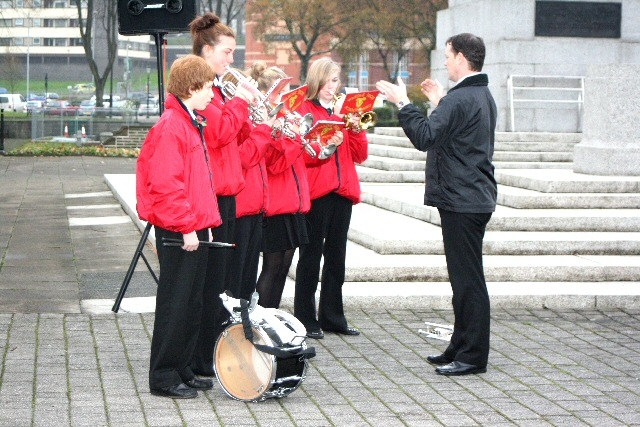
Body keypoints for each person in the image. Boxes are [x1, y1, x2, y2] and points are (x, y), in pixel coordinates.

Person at [376, 33, 497, 376]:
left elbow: (425, 137)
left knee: (468, 280)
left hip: (464, 199)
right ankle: (460, 345)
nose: (444, 62)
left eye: (447, 55)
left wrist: (403, 103)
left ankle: (472, 355)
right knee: (464, 278)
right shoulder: (478, 94)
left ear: (461, 57)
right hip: (470, 197)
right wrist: (441, 100)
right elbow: (456, 134)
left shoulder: (462, 99)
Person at [188, 12, 269, 378]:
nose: (231, 59)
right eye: (226, 51)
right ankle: (202, 356)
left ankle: (210, 352)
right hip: (214, 193)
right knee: (212, 285)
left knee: (219, 284)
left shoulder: (218, 87)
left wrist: (250, 112)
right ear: (206, 51)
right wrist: (240, 102)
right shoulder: (202, 88)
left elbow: (234, 138)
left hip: (227, 191)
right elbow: (220, 134)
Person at [136, 54, 220, 398]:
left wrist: (205, 223)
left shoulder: (188, 122)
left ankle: (183, 367)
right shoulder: (172, 125)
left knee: (193, 302)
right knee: (176, 302)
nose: (213, 94)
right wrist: (188, 227)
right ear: (192, 87)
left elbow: (197, 182)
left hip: (191, 226)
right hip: (178, 228)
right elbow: (167, 184)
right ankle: (165, 374)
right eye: (209, 86)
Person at [294, 57, 369, 339]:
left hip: (342, 194)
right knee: (310, 257)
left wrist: (356, 129)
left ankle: (333, 317)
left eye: (335, 81)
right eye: (326, 81)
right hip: (316, 195)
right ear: (315, 82)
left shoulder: (343, 113)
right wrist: (325, 142)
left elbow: (360, 155)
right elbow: (302, 156)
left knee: (336, 257)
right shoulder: (305, 111)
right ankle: (305, 318)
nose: (330, 87)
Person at [255, 68, 312, 309]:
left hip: (292, 203)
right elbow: (275, 165)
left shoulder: (286, 119)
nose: (288, 98)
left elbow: (303, 161)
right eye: (283, 92)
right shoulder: (264, 120)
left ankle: (272, 317)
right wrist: (295, 139)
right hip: (276, 205)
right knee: (272, 267)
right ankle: (260, 319)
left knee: (283, 268)